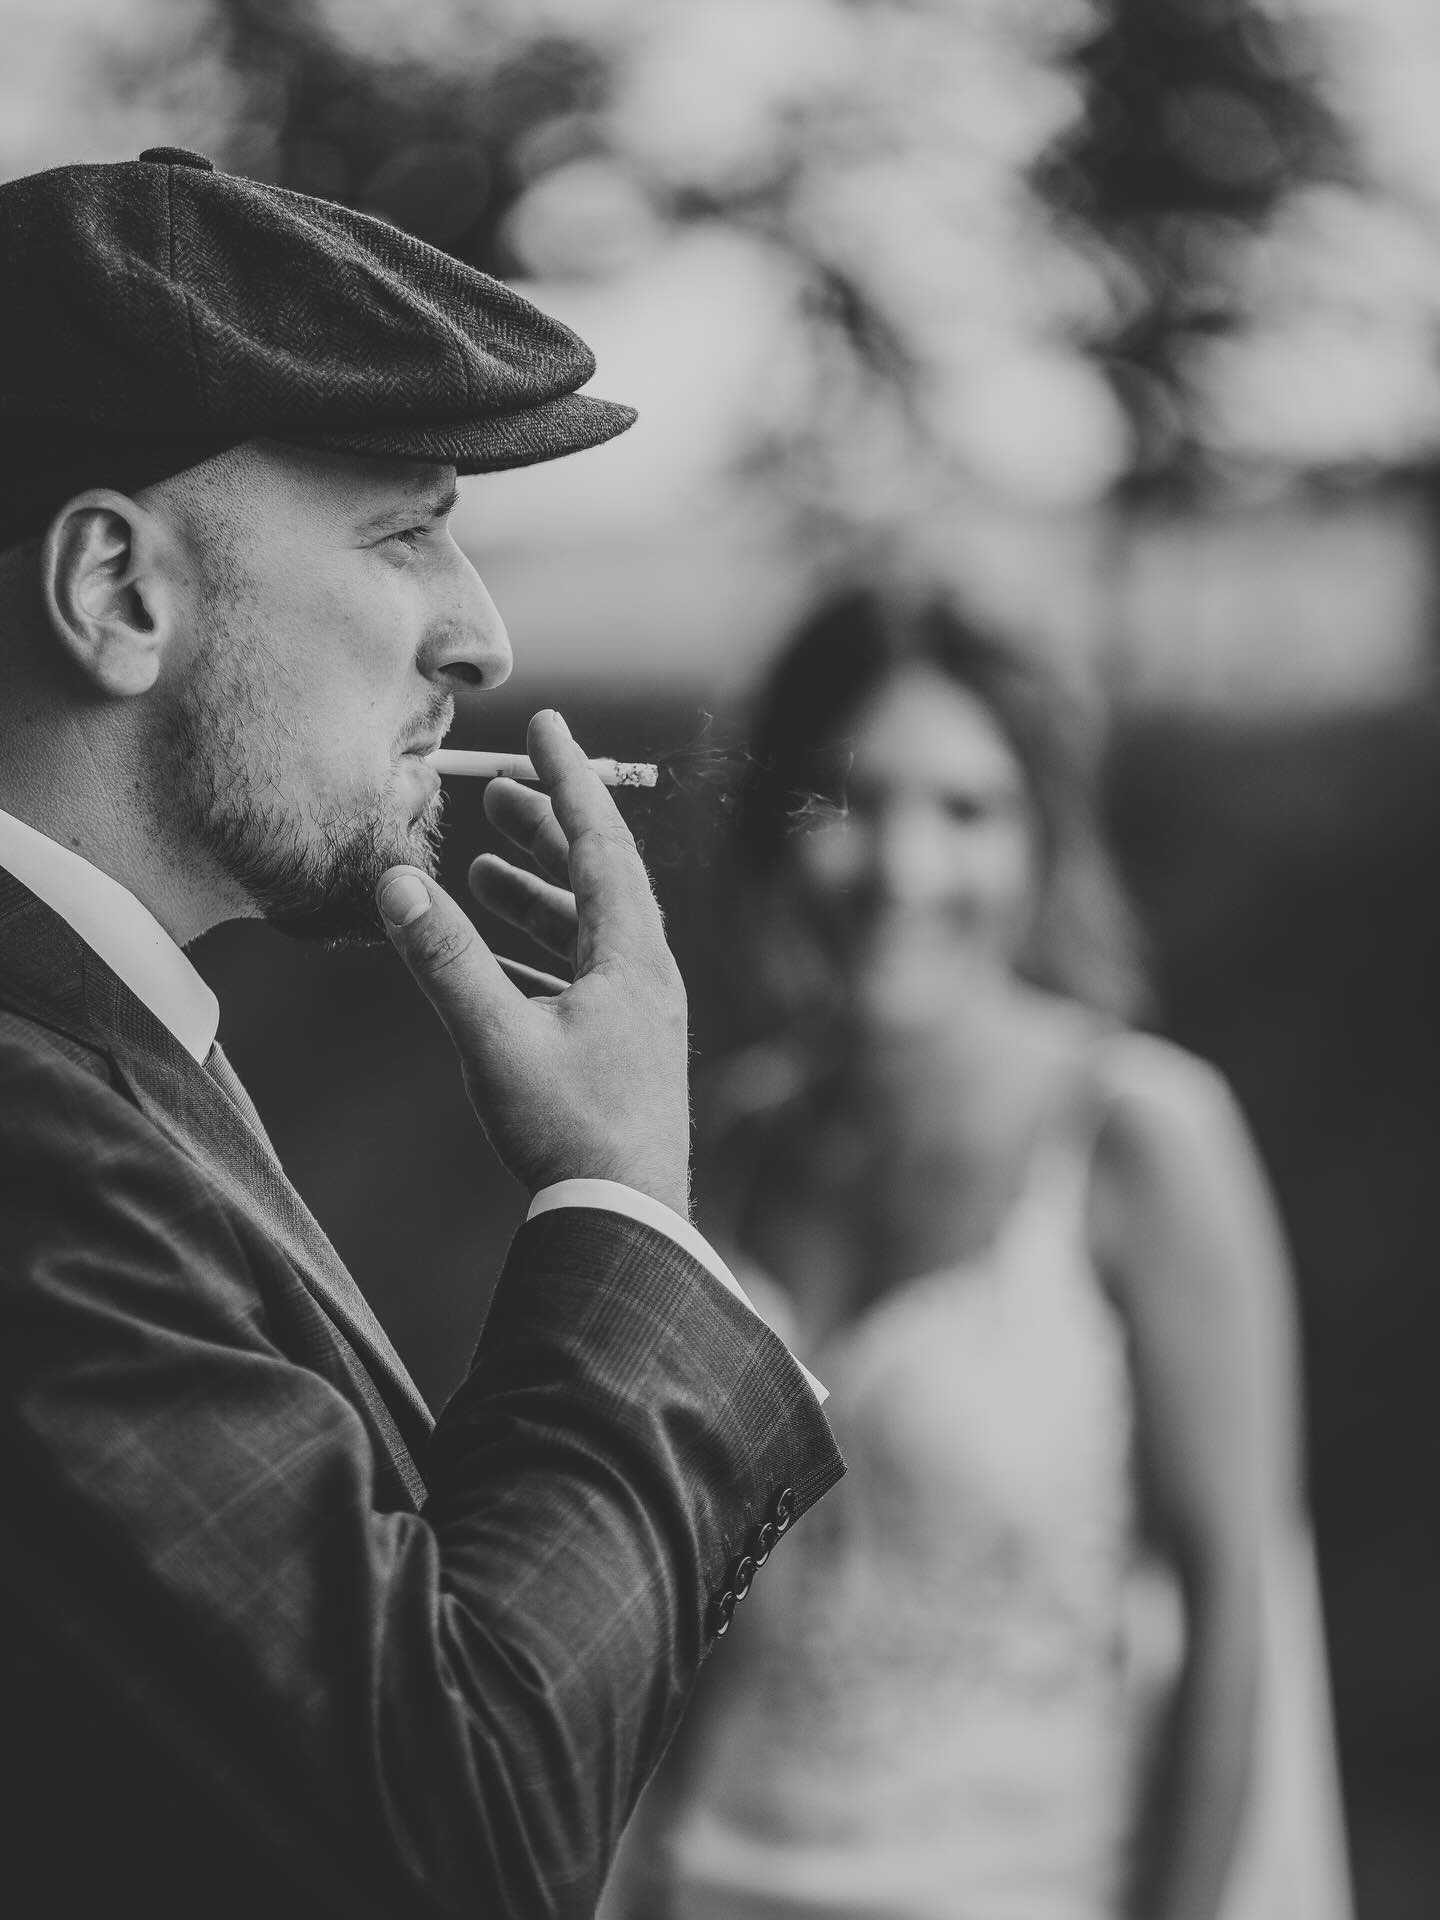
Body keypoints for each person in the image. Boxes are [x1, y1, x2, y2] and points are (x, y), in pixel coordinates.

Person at [0, 147, 843, 1919]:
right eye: (403, 532)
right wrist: (623, 1201)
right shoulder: (27, 1131)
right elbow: (459, 1825)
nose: (483, 634)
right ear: (118, 595)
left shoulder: (102, 1044)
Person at [608, 588, 1351, 1920]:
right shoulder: (739, 1140)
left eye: (967, 810)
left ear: (1043, 840)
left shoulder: (1138, 1141)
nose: (904, 868)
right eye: (855, 802)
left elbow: (1237, 1614)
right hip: (709, 1880)